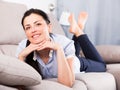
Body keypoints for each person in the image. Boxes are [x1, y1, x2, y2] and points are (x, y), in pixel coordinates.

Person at [16, 8, 106, 87]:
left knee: (102, 66)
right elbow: (20, 85)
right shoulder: (22, 48)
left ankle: (78, 31)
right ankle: (78, 28)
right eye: (28, 27)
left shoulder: (63, 43)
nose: (33, 30)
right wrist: (21, 56)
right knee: (72, 49)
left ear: (49, 27)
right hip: (68, 52)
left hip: (75, 62)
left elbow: (67, 84)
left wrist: (59, 49)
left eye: (38, 24)